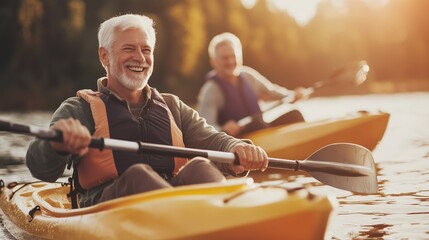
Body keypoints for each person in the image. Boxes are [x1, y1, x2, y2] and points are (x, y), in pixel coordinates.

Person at [26, 14, 268, 208]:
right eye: (129, 49)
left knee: (199, 166)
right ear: (104, 56)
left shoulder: (172, 105)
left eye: (146, 50)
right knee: (137, 176)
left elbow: (213, 139)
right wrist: (56, 144)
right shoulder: (79, 109)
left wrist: (236, 149)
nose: (140, 58)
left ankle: (231, 217)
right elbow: (38, 166)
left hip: (168, 199)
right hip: (103, 207)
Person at [197, 32, 308, 137]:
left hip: (262, 130)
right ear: (214, 62)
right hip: (238, 142)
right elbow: (205, 128)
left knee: (295, 115)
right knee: (257, 125)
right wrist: (222, 129)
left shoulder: (247, 75)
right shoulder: (211, 90)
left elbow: (272, 91)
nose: (230, 61)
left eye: (233, 56)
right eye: (225, 58)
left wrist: (293, 94)